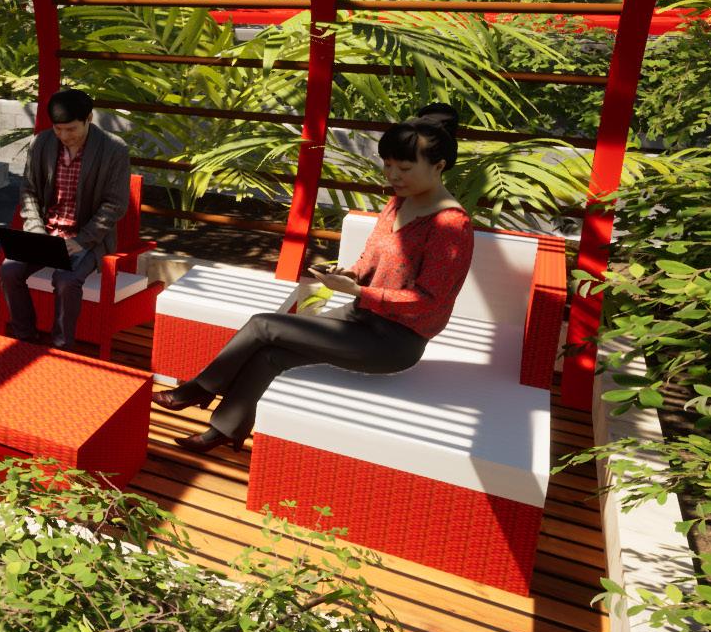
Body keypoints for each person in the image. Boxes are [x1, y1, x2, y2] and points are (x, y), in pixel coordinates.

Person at [155, 104, 474, 456]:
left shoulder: (450, 225)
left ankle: (199, 388)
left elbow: (429, 301)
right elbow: (371, 256)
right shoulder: (399, 202)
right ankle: (226, 429)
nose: (393, 175)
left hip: (395, 341)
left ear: (439, 166)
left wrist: (360, 291)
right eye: (387, 165)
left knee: (263, 325)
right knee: (271, 355)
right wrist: (350, 274)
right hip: (360, 317)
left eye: (405, 168)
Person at [0, 88, 131, 350]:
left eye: (71, 129)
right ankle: (25, 338)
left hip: (87, 238)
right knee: (9, 270)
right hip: (46, 233)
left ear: (89, 118)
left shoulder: (113, 149)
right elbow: (29, 191)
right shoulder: (42, 143)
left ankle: (62, 346)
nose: (64, 136)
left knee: (66, 280)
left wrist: (81, 241)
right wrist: (36, 232)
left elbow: (115, 204)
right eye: (58, 129)